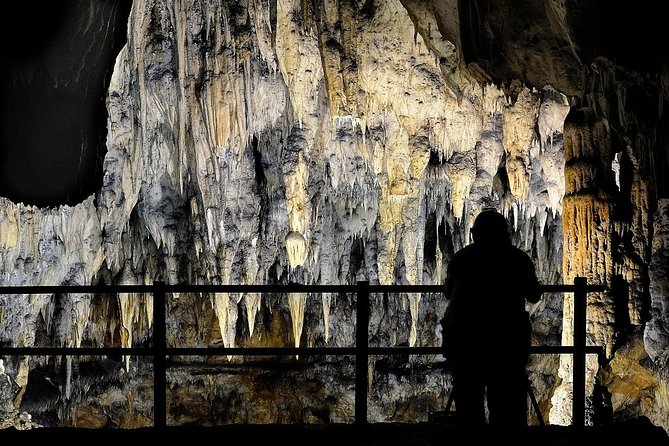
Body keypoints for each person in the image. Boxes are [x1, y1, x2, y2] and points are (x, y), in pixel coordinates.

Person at [441, 208, 541, 440]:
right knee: (505, 403)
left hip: (465, 340)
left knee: (468, 401)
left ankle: (471, 441)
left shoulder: (462, 258)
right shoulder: (517, 259)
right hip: (505, 341)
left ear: (476, 234)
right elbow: (534, 294)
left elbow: (448, 292)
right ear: (504, 233)